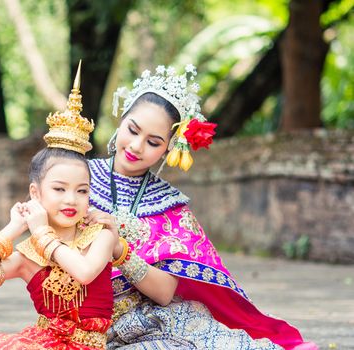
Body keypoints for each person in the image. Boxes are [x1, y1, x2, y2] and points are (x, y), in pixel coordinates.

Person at [84, 65, 318, 350]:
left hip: (150, 319)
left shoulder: (170, 206)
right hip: (83, 321)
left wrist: (121, 252)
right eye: (132, 130)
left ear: (169, 149)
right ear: (121, 121)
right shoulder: (74, 180)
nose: (136, 146)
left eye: (153, 142)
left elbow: (164, 293)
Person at [0, 63, 118, 350]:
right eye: (59, 189)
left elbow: (85, 272)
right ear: (35, 193)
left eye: (82, 190)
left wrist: (42, 235)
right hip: (43, 342)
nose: (71, 199)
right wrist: (16, 226)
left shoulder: (100, 234)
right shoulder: (29, 254)